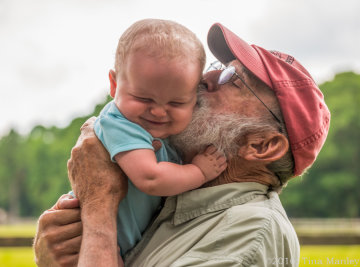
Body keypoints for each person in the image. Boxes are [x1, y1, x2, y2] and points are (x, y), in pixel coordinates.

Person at [34, 22, 330, 267]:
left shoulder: (249, 233)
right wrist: (54, 258)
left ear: (262, 146)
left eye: (233, 79)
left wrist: (99, 205)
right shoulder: (175, 196)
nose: (205, 78)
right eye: (219, 66)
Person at [77, 19, 227, 260]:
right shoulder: (119, 123)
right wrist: (199, 171)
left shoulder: (163, 131)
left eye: (176, 103)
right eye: (143, 98)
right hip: (96, 245)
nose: (158, 112)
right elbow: (150, 178)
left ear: (194, 99)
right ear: (114, 85)